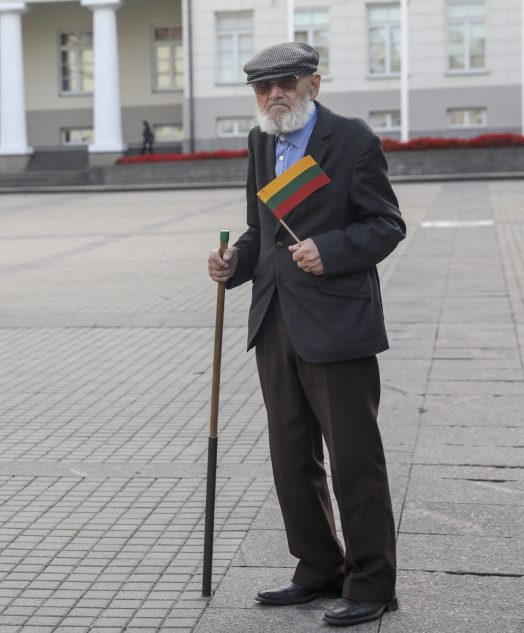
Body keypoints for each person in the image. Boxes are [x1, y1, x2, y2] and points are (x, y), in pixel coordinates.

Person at [207, 42, 406, 627]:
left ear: (312, 85)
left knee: (354, 459)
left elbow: (386, 224)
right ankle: (318, 566)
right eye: (264, 87)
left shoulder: (352, 141)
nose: (275, 96)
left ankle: (372, 583)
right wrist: (232, 265)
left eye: (287, 84)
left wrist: (332, 248)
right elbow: (259, 231)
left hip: (339, 326)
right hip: (276, 322)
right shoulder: (261, 140)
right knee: (291, 456)